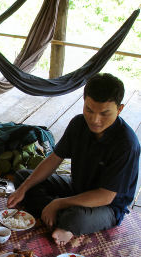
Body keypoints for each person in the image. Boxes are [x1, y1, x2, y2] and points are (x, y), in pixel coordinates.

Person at [7, 73, 140, 246]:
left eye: (104, 113)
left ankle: (61, 217)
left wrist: (58, 203)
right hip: (76, 188)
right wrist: (23, 188)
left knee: (75, 218)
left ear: (120, 109)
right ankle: (59, 217)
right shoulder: (78, 124)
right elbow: (53, 159)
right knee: (23, 178)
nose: (95, 120)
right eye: (89, 110)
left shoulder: (127, 144)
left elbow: (105, 196)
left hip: (107, 206)